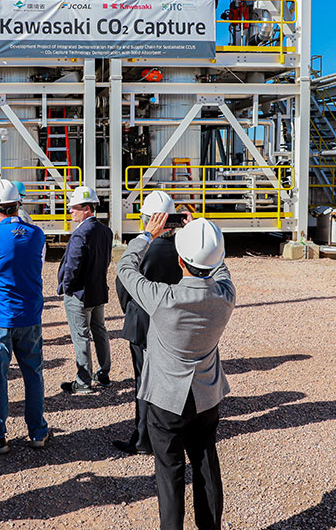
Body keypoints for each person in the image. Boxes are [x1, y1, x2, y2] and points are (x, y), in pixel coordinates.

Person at [117, 215, 235, 530]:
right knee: (206, 463)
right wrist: (204, 230)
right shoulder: (225, 296)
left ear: (180, 261)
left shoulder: (163, 299)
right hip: (206, 394)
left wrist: (146, 235)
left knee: (169, 472)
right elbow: (220, 267)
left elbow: (125, 268)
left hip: (166, 399)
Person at [0, 179, 49, 454]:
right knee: (33, 373)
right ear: (19, 204)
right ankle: (37, 431)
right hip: (30, 316)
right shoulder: (37, 235)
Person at [113, 191, 183, 456]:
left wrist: (131, 311)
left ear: (148, 220)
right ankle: (172, 431)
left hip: (143, 325)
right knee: (170, 380)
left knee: (144, 382)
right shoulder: (183, 247)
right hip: (172, 325)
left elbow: (123, 285)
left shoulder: (141, 250)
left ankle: (143, 439)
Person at [57, 185, 113, 395]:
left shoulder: (81, 234)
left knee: (81, 336)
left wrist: (67, 288)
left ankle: (83, 381)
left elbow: (72, 266)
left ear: (87, 208)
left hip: (79, 294)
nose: (70, 210)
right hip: (98, 291)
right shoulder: (105, 231)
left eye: (74, 207)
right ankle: (104, 373)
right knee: (100, 331)